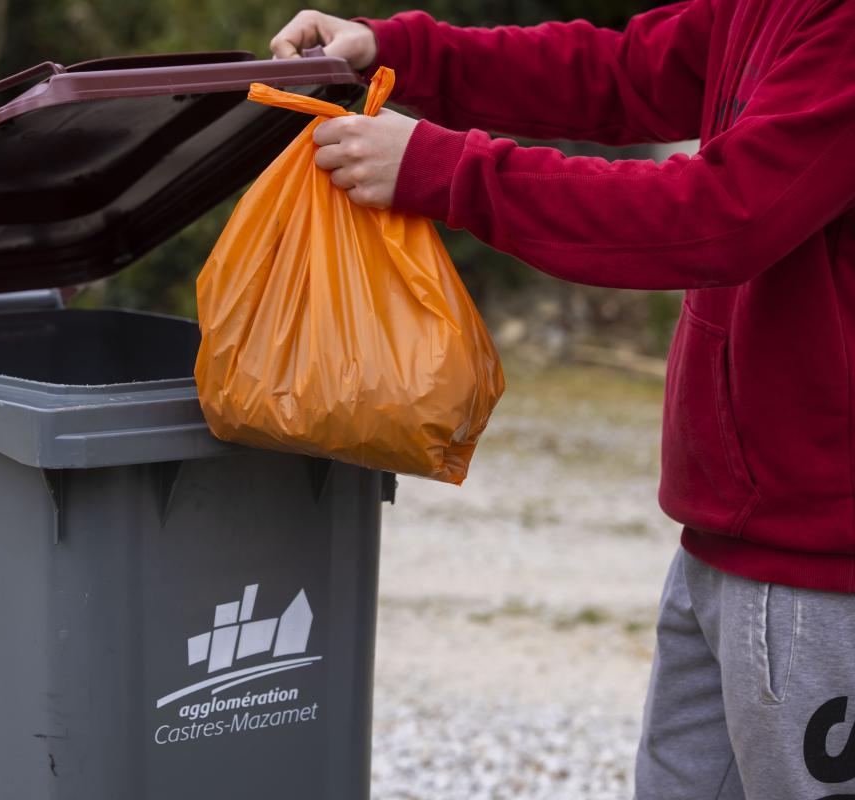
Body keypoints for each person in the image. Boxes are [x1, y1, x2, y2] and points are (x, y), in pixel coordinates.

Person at [269, 4, 855, 799]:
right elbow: (619, 75)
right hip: (725, 536)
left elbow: (722, 217)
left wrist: (450, 170)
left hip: (822, 568)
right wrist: (400, 49)